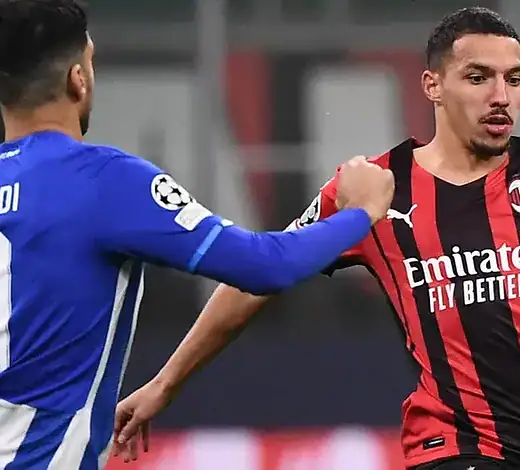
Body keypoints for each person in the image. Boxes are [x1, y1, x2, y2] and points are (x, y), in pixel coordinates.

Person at [113, 6, 520, 470]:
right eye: (478, 77)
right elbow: (259, 277)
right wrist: (167, 382)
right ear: (433, 86)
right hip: (450, 447)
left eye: (514, 78)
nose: (501, 96)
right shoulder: (374, 188)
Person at [0, 0, 394, 468]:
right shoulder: (102, 181)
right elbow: (263, 265)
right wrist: (360, 212)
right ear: (78, 79)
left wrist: (164, 383)